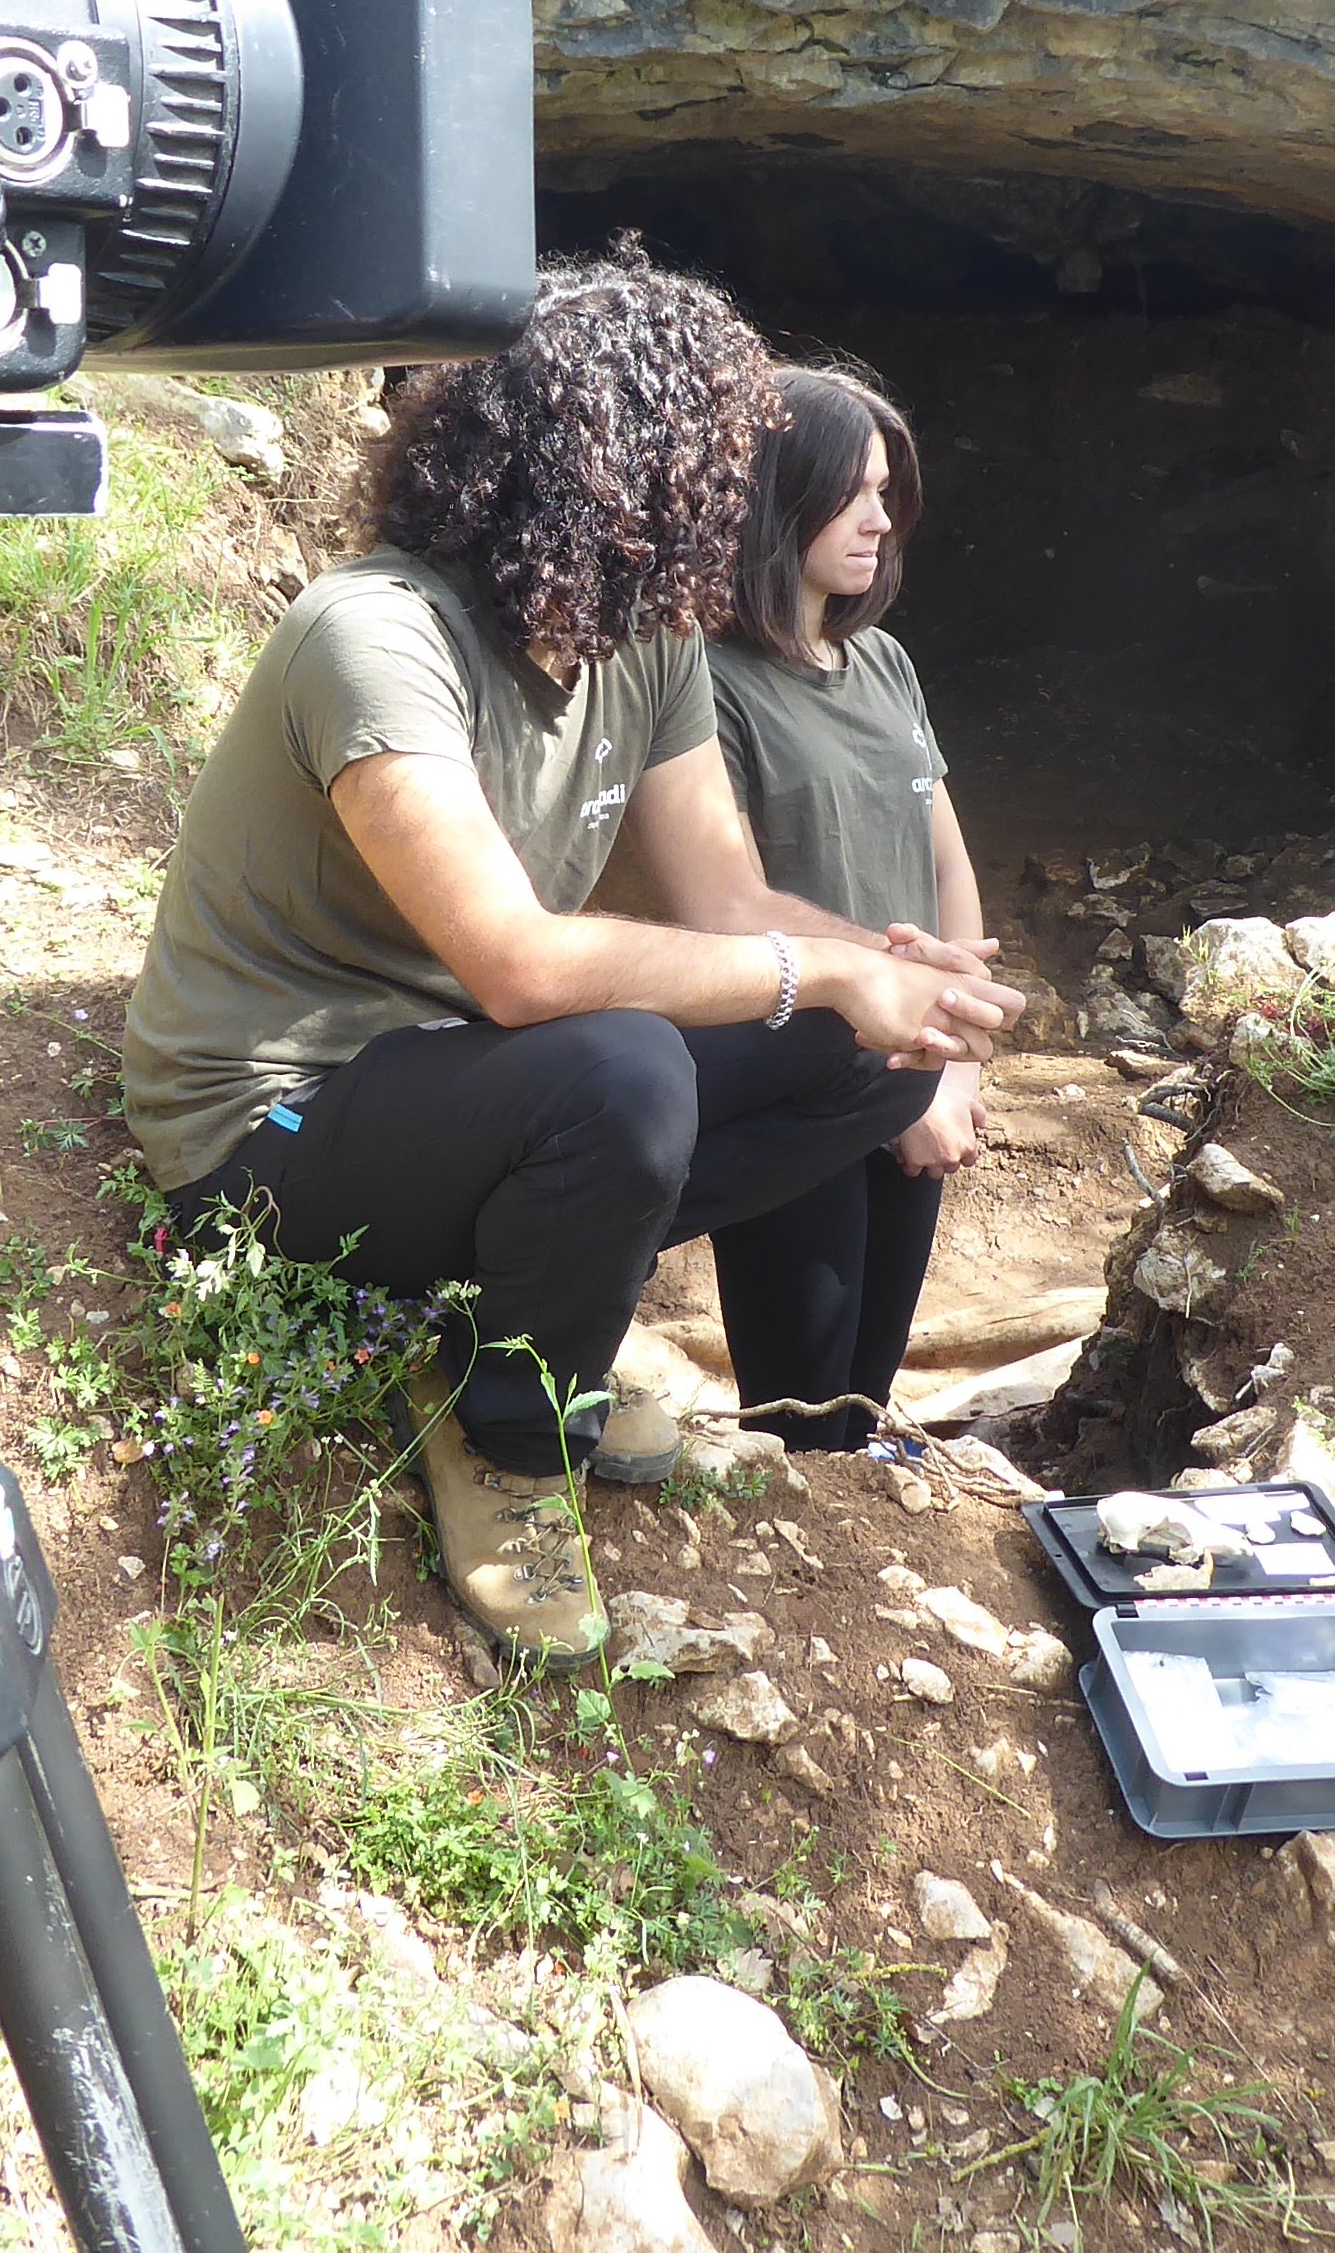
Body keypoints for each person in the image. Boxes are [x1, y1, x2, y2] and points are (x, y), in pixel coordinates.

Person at [121, 259, 1018, 1665]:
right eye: (713, 474)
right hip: (278, 1123)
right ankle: (509, 1443)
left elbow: (728, 899)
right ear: (610, 475)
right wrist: (830, 973)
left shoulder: (643, 643)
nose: (734, 511)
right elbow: (519, 971)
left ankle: (512, 1312)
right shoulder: (375, 636)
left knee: (870, 1057)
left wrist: (904, 977)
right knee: (622, 1071)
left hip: (473, 1093)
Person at [699, 367, 986, 1452]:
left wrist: (956, 1063)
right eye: (849, 493)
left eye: (884, 491)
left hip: (918, 1062)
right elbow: (721, 905)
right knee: (801, 1409)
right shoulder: (704, 680)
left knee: (865, 1394)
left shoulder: (885, 664)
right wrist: (896, 1080)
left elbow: (945, 859)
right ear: (773, 500)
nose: (880, 519)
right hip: (793, 1074)